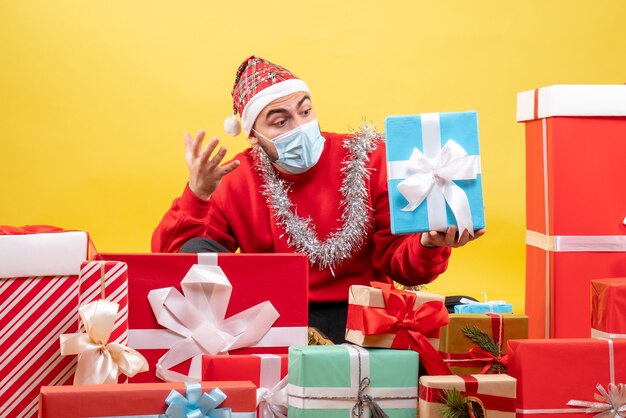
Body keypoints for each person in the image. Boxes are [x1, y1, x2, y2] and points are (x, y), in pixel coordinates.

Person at [152, 56, 485, 343]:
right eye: (281, 121)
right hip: (274, 321)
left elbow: (404, 267)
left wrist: (428, 244)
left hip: (364, 318)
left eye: (305, 111)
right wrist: (198, 195)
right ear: (253, 135)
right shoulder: (237, 176)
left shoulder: (367, 159)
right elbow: (176, 268)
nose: (300, 127)